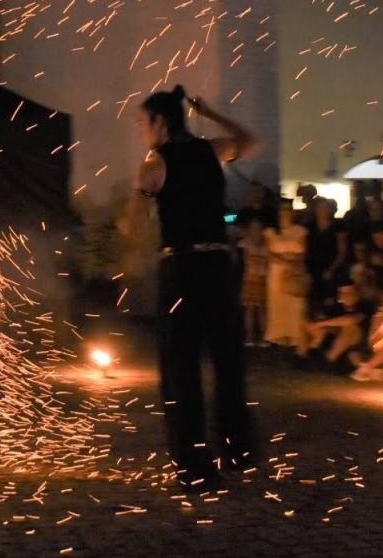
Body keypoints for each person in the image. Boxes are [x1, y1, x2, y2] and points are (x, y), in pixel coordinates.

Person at [126, 87, 257, 488]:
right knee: (227, 360)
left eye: (143, 122)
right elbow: (249, 141)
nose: (141, 130)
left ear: (160, 123)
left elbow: (132, 226)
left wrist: (137, 202)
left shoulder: (154, 163)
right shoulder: (210, 149)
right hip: (218, 264)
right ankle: (239, 451)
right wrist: (211, 112)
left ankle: (195, 467)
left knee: (181, 367)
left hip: (181, 267)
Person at [263, 203, 310, 350]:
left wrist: (292, 262)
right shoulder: (270, 232)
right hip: (277, 272)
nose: (285, 212)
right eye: (282, 209)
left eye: (288, 209)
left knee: (295, 304)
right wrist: (286, 260)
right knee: (277, 304)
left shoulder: (300, 231)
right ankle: (278, 336)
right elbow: (269, 254)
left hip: (295, 271)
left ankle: (295, 336)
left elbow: (302, 253)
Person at [236, 215, 268, 348]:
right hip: (249, 278)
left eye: (258, 227)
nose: (256, 230)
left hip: (261, 278)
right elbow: (243, 260)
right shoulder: (244, 243)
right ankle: (250, 337)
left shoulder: (266, 243)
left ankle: (263, 337)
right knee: (249, 309)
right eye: (254, 227)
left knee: (261, 310)